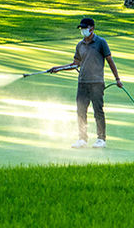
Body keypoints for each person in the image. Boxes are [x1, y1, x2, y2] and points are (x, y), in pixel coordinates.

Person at [49, 16, 123, 148]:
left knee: (98, 111)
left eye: (84, 28)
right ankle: (82, 139)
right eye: (81, 28)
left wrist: (117, 79)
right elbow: (75, 64)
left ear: (92, 28)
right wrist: (58, 68)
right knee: (81, 111)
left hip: (96, 82)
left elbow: (110, 60)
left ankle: (101, 139)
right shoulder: (80, 45)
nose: (82, 30)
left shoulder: (101, 42)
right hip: (82, 82)